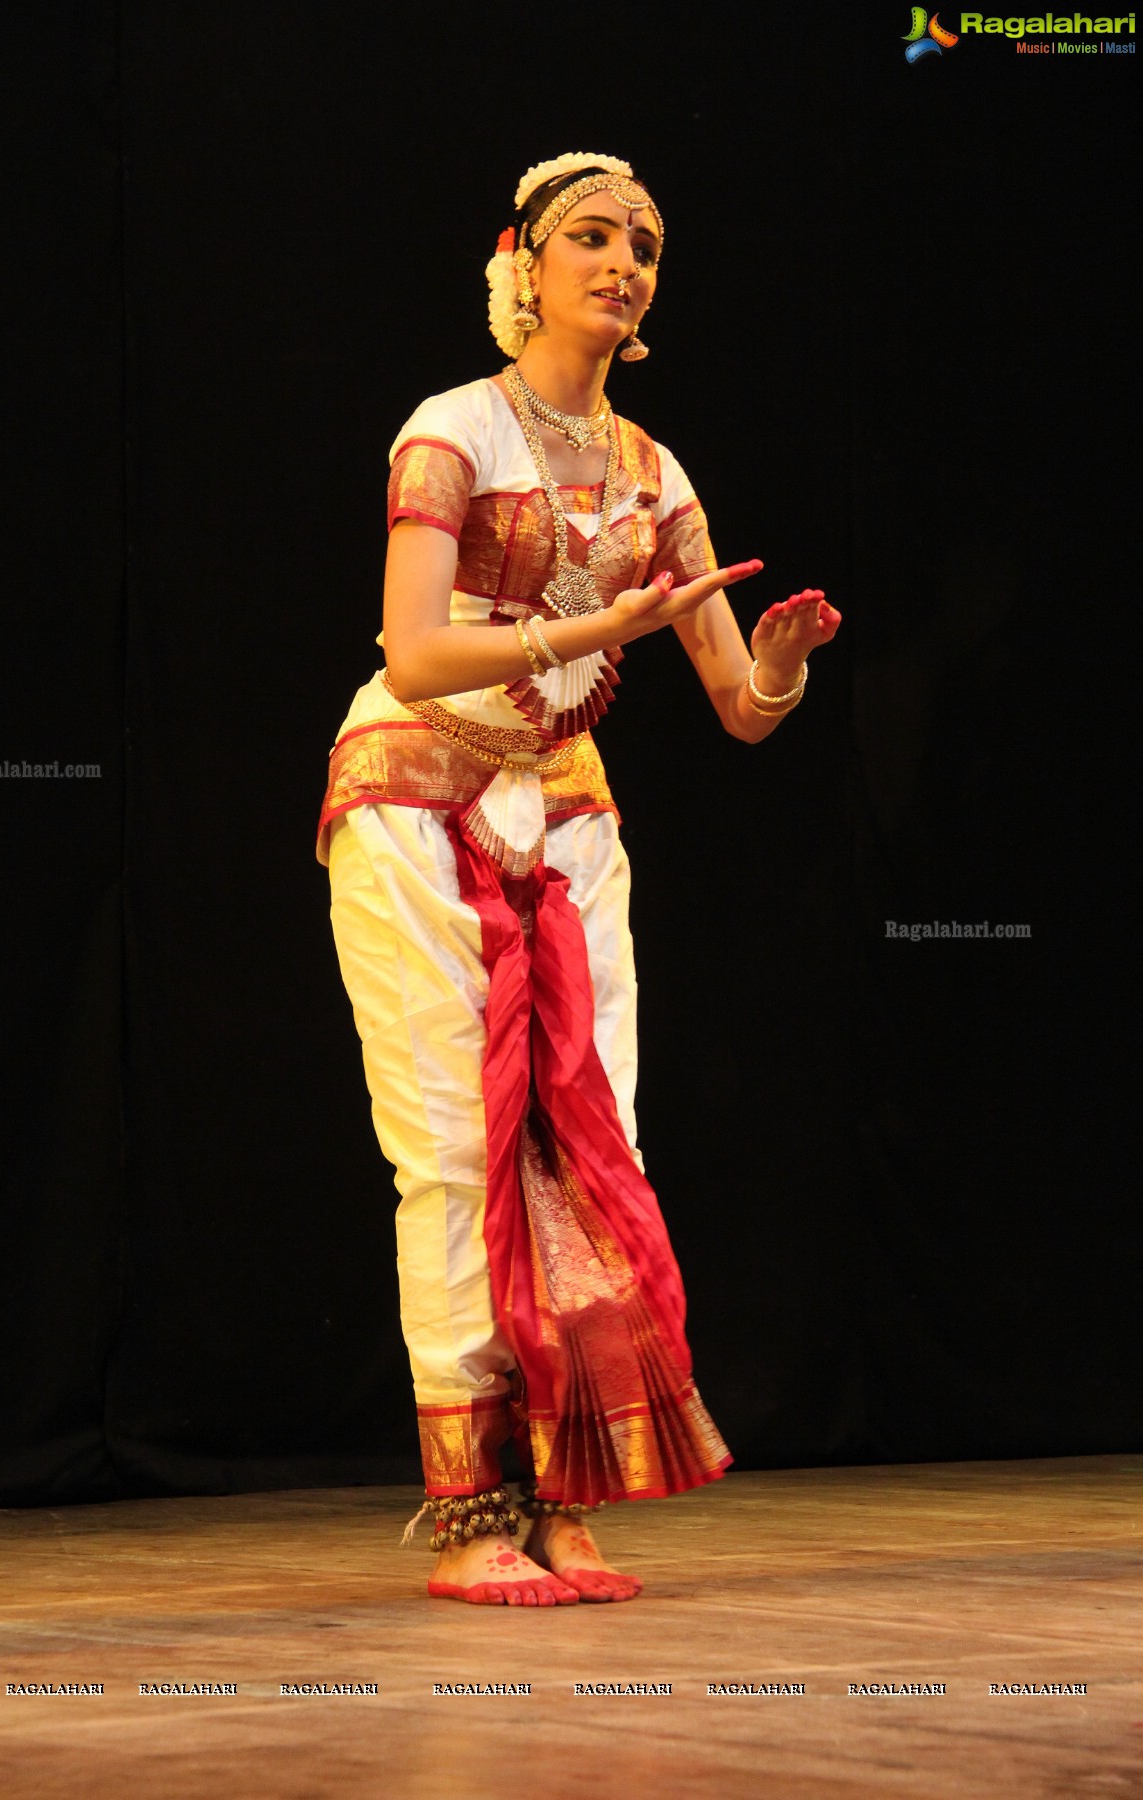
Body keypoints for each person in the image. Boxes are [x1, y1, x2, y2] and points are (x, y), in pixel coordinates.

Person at [317, 152, 840, 1607]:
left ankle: (561, 1489)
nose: (624, 265)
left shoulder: (654, 472)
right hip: (418, 798)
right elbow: (416, 656)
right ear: (525, 264)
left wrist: (779, 673)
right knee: (456, 1147)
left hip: (565, 817)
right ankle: (471, 1499)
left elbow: (735, 707)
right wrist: (584, 629)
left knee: (589, 1144)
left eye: (646, 249)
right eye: (595, 239)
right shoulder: (451, 434)